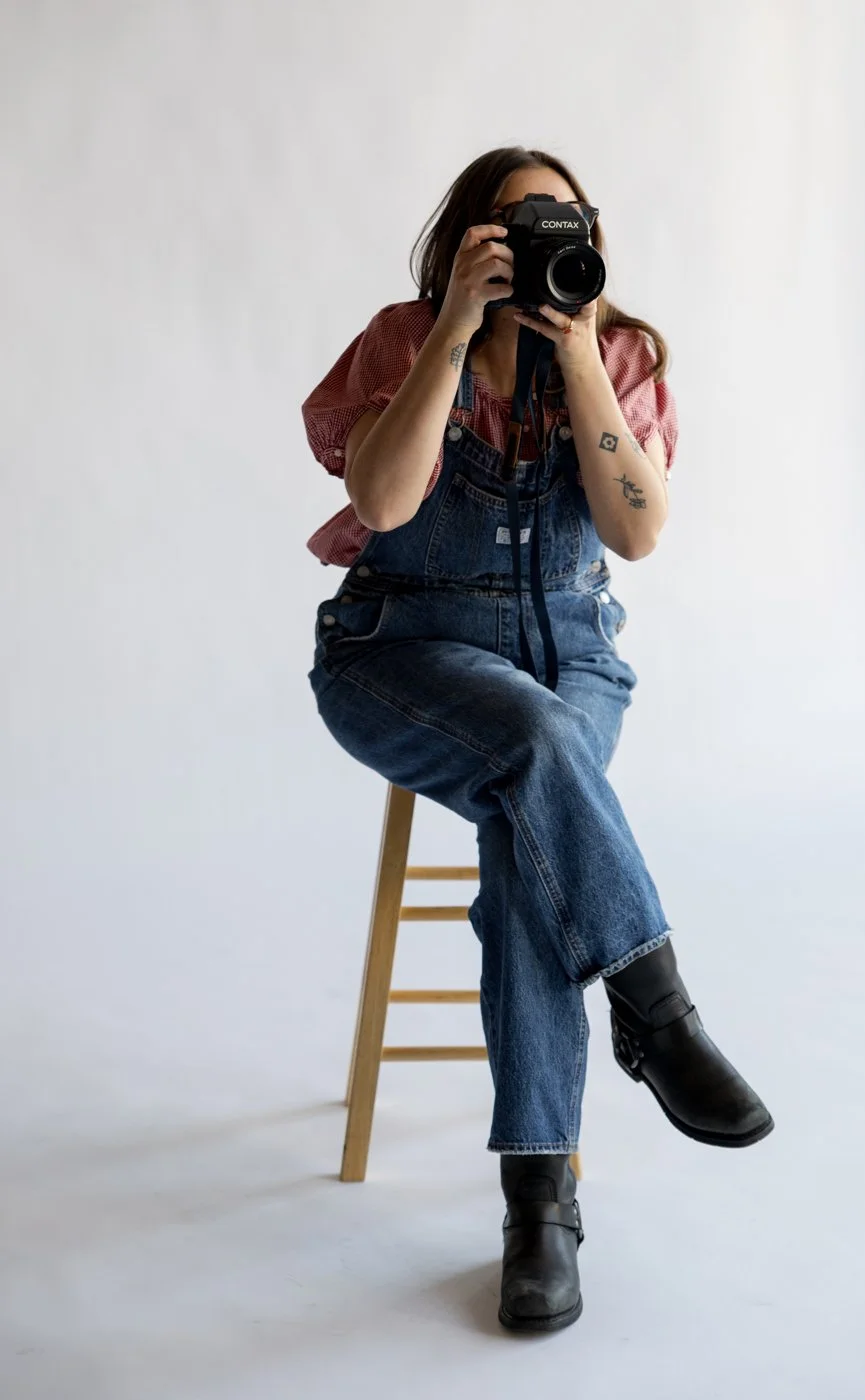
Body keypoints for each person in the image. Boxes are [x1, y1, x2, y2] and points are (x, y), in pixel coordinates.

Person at [301, 145, 773, 1334]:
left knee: (531, 828)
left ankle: (537, 1213)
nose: (539, 240)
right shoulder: (405, 340)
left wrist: (577, 351)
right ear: (467, 237)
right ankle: (655, 1009)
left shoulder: (617, 352)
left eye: (562, 220)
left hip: (574, 658)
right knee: (534, 742)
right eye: (513, 227)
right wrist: (458, 327)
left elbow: (639, 536)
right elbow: (383, 505)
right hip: (400, 655)